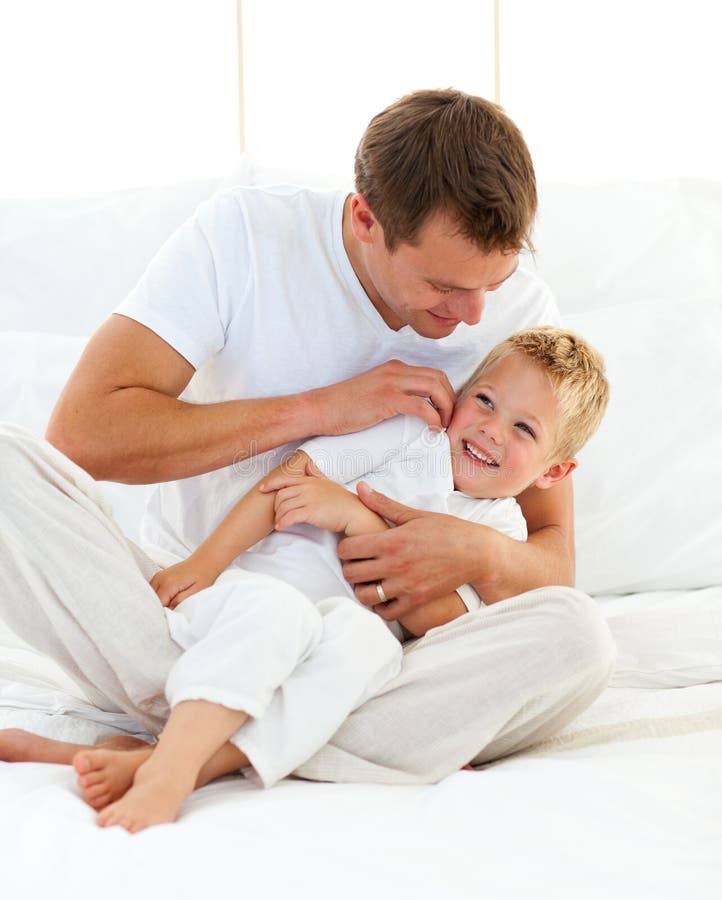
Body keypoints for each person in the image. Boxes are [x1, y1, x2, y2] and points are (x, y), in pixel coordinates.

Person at [0, 89, 615, 789]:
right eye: (443, 286)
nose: (475, 313)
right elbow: (84, 436)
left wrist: (471, 550)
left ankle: (193, 738)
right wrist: (319, 409)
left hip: (370, 651)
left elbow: (549, 565)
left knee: (580, 639)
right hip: (187, 614)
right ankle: (283, 728)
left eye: (493, 282)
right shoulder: (243, 238)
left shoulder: (518, 315)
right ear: (364, 218)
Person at [1, 326, 609, 832]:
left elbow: (446, 627)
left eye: (523, 430)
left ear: (556, 472)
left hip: (336, 669)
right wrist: (202, 566)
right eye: (485, 402)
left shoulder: (503, 532)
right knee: (278, 613)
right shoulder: (408, 438)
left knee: (373, 645)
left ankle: (170, 760)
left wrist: (355, 519)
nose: (492, 430)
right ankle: (186, 761)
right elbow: (289, 484)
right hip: (238, 614)